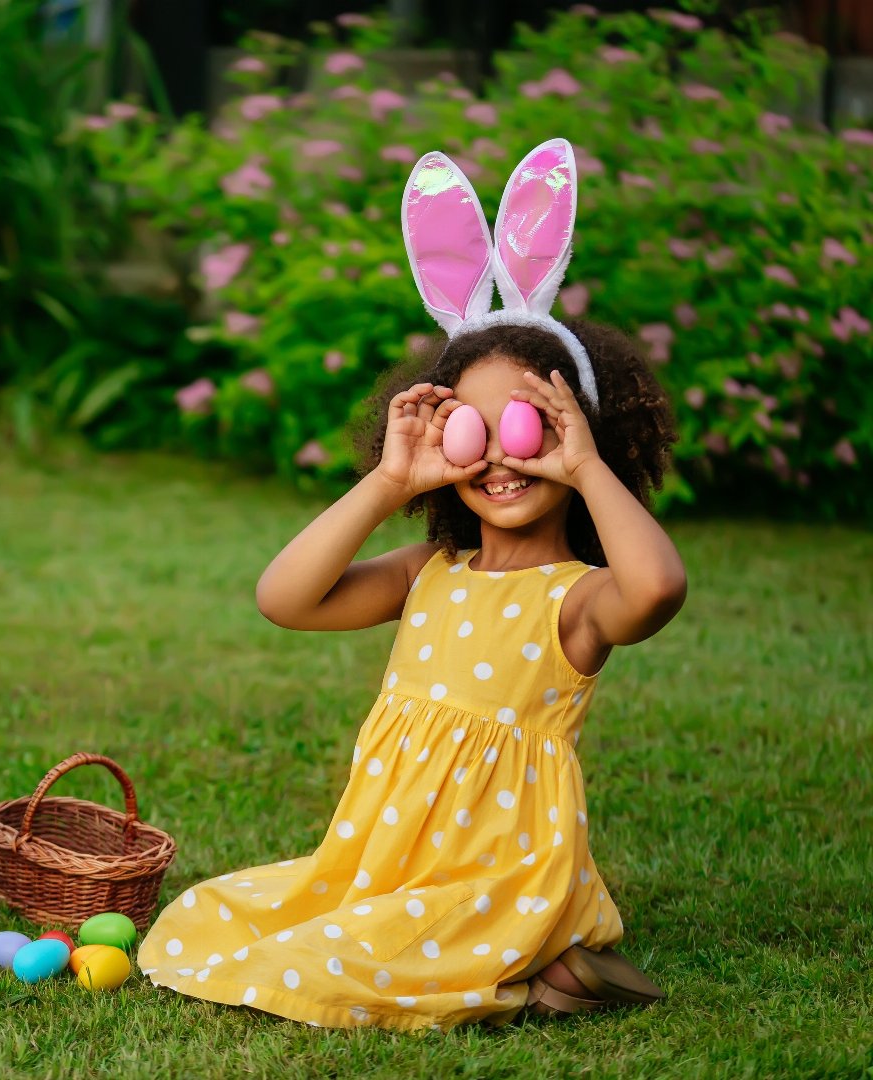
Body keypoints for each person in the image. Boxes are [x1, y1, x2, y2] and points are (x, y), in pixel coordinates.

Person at [137, 139, 686, 1029]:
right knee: (217, 922)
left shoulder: (578, 597)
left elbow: (658, 587)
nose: (502, 458)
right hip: (382, 866)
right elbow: (285, 598)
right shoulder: (432, 573)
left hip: (494, 873)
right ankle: (560, 968)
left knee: (317, 972)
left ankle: (548, 944)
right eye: (472, 431)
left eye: (528, 427)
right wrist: (391, 482)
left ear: (582, 434)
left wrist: (584, 467)